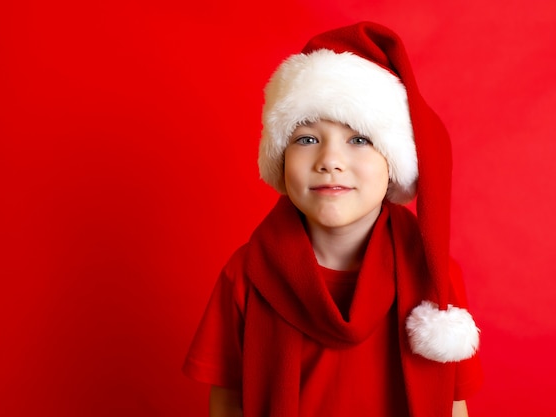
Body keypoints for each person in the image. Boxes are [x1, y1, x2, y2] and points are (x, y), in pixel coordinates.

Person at [183, 21, 483, 417]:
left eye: (359, 139)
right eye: (307, 139)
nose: (329, 162)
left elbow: (450, 402)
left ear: (394, 164)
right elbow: (227, 400)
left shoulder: (432, 275)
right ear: (280, 159)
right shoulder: (246, 274)